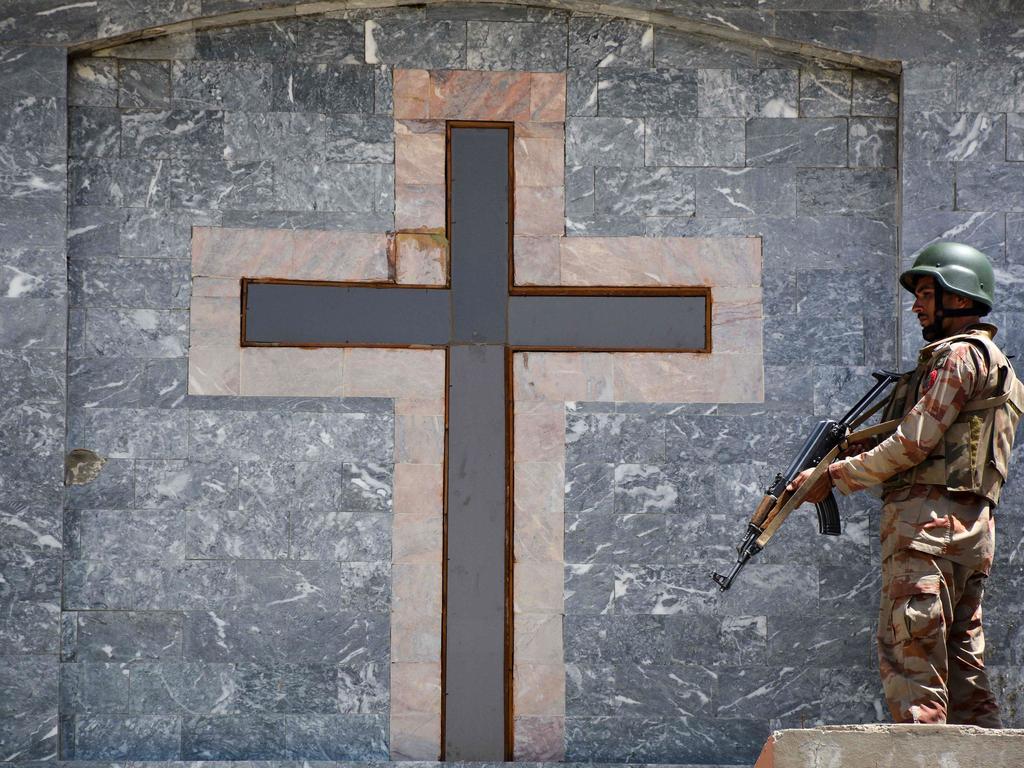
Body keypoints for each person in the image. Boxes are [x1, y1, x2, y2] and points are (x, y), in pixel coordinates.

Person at [788, 241, 1024, 727]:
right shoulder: (997, 364)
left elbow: (913, 443)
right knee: (963, 673)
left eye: (926, 293)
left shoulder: (958, 356)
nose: (916, 305)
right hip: (970, 529)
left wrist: (834, 476)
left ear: (959, 296)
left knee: (911, 658)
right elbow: (934, 441)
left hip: (926, 529)